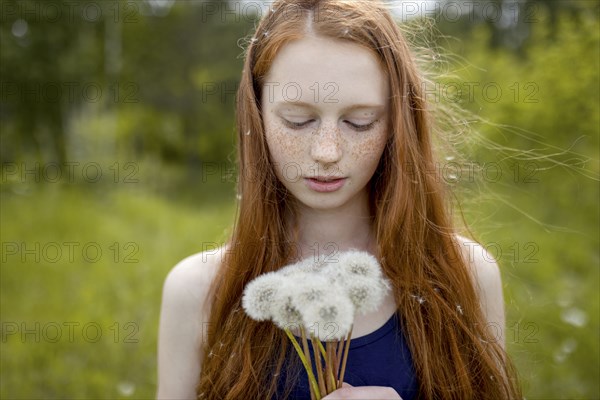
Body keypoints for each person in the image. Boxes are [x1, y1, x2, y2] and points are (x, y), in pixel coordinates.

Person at [157, 0, 522, 399]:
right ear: (256, 114)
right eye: (298, 120)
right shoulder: (198, 292)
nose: (327, 152)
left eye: (359, 121)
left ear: (397, 123)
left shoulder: (466, 277)